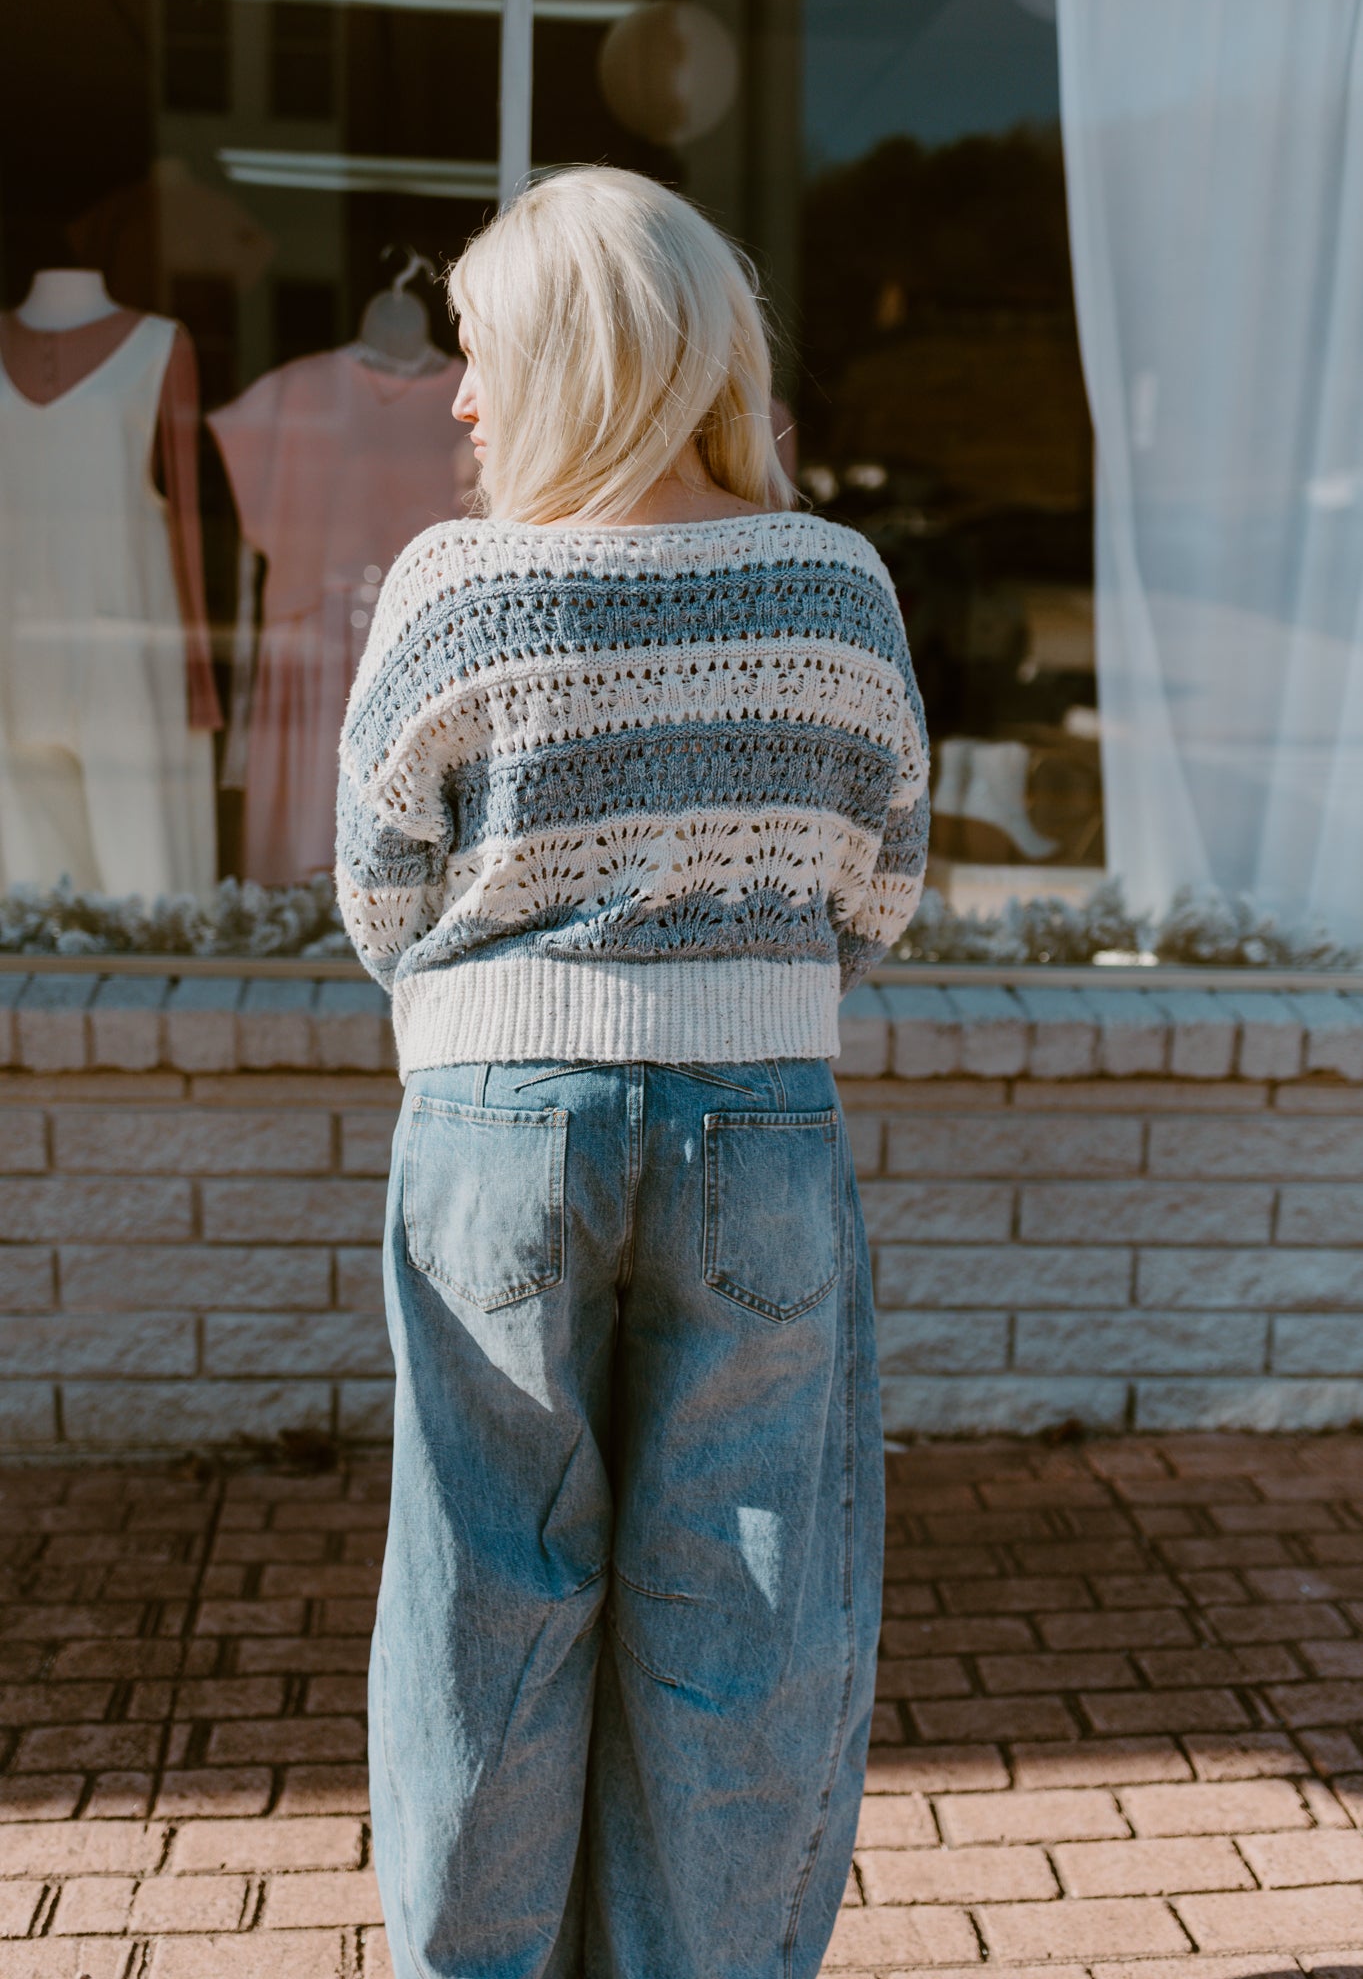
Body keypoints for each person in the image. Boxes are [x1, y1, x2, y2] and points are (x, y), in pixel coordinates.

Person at [336, 165, 929, 1979]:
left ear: (579, 361)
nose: (458, 397)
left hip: (497, 1138)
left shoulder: (457, 587)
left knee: (487, 1602)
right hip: (759, 1131)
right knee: (745, 1605)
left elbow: (378, 892)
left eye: (484, 355)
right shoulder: (835, 584)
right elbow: (882, 888)